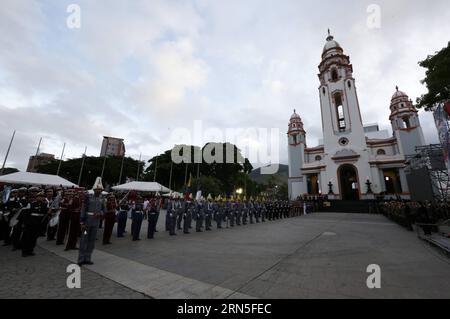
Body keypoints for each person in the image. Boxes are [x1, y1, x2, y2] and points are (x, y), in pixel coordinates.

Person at [78, 177, 105, 266]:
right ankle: (81, 259)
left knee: (92, 241)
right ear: (94, 189)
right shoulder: (88, 197)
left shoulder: (102, 199)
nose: (99, 191)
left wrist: (100, 213)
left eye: (100, 189)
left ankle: (88, 258)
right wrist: (82, 222)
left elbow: (104, 210)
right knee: (84, 239)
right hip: (86, 222)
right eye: (97, 189)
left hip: (95, 222)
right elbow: (83, 209)